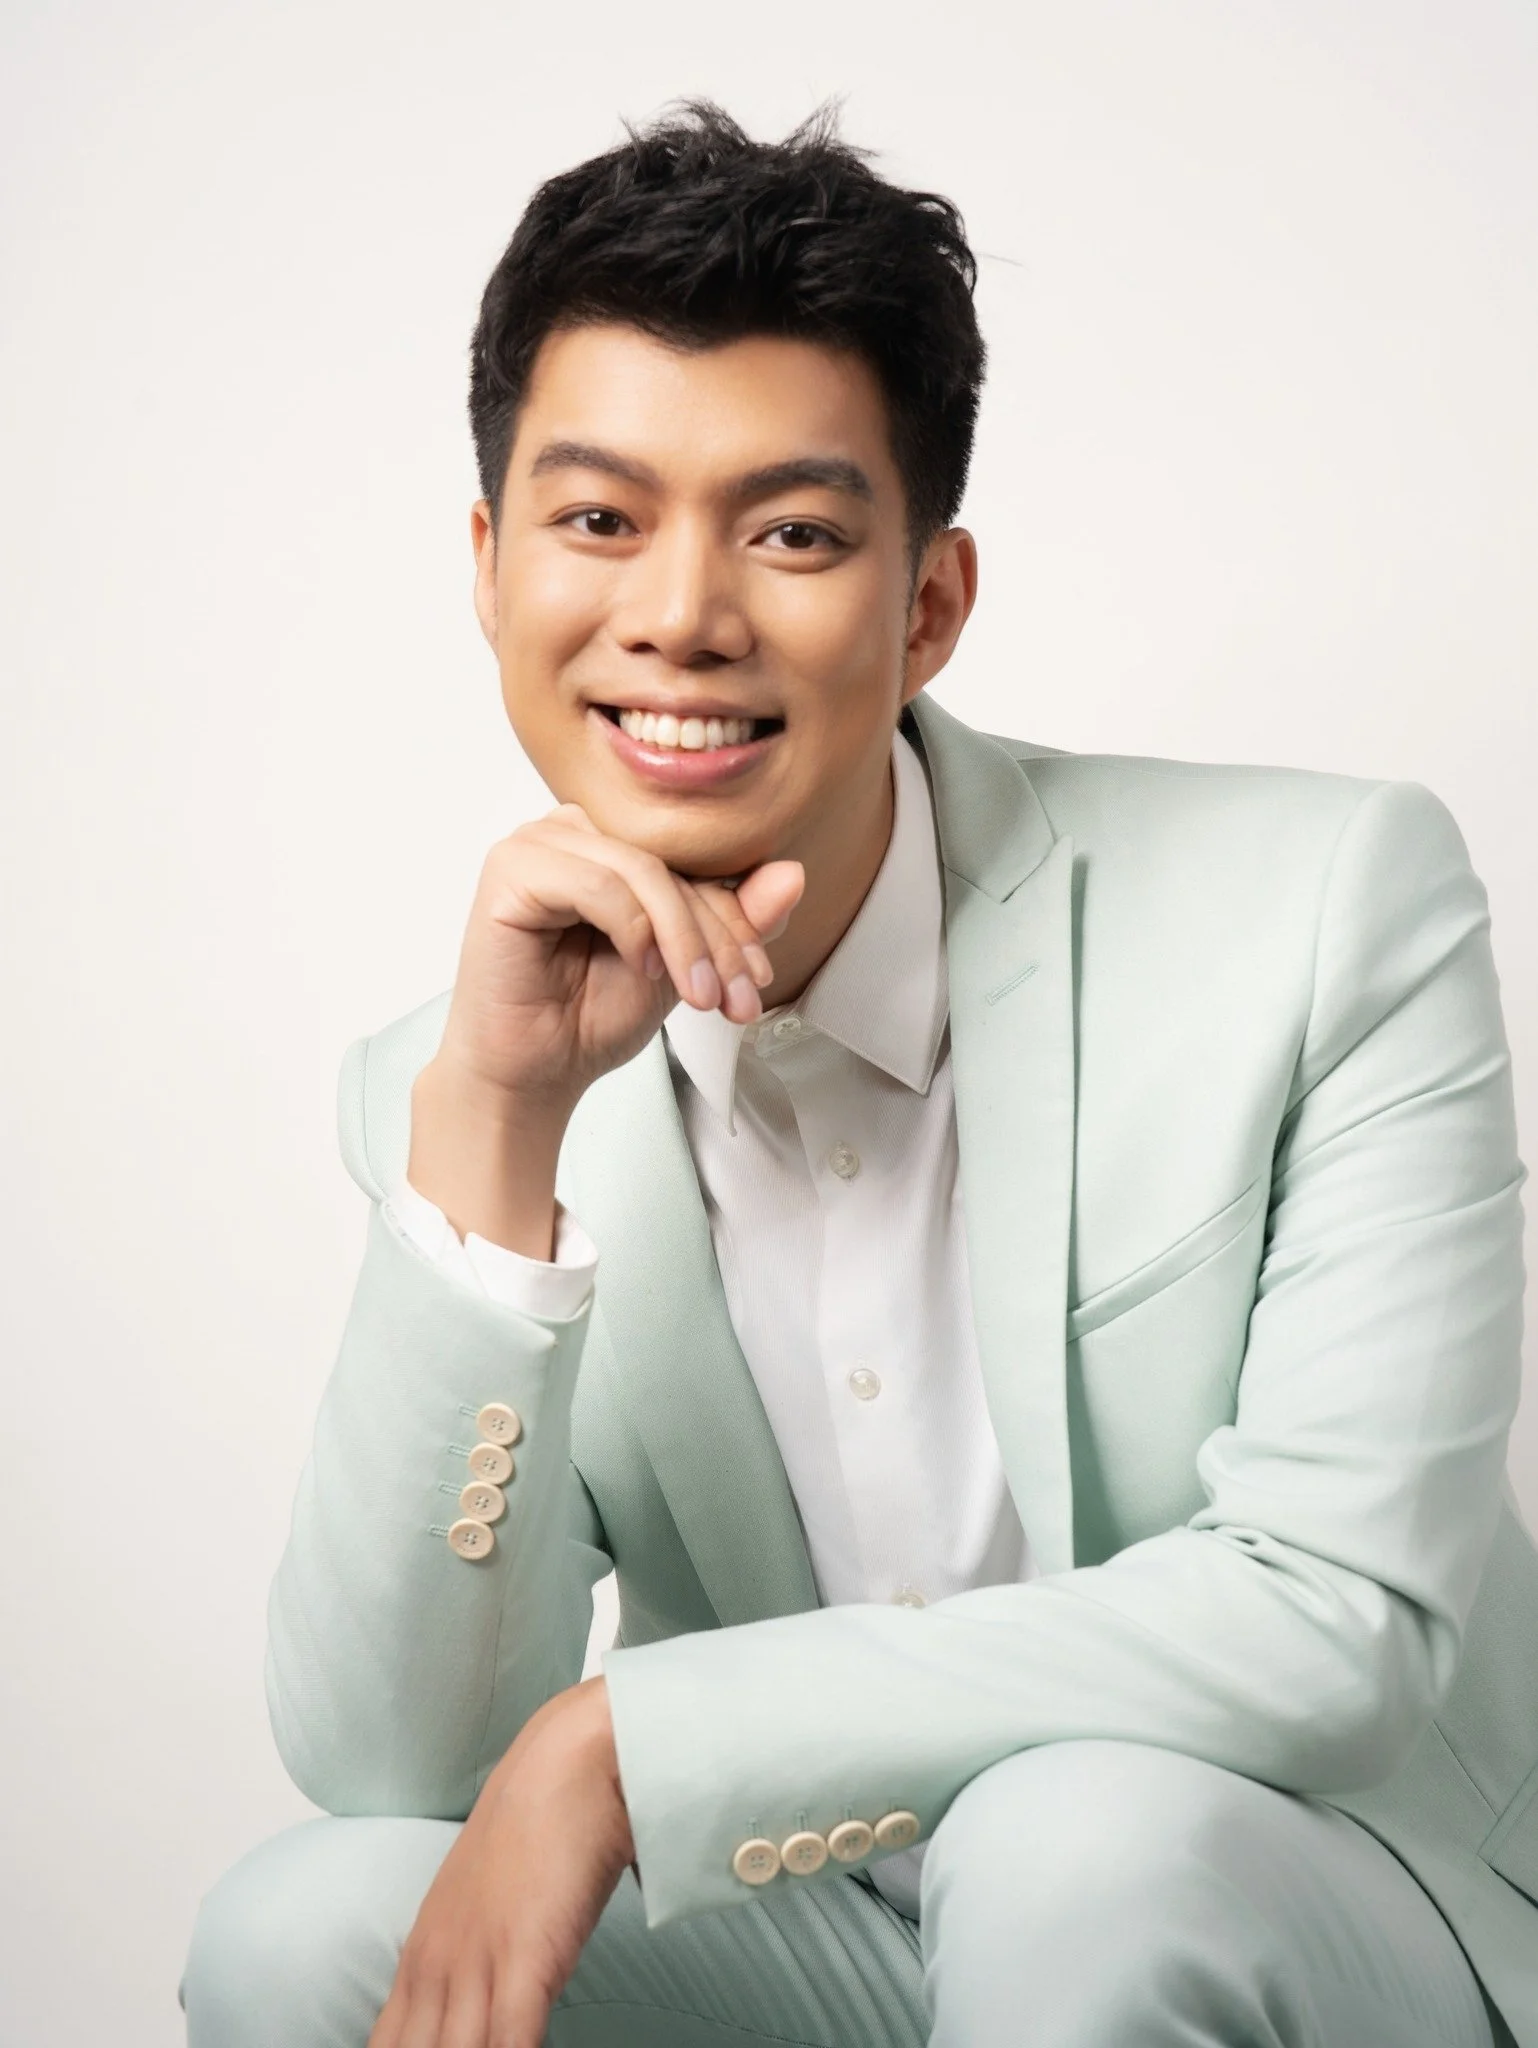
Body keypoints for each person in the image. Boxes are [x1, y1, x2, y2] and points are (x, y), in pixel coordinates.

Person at [181, 101, 1538, 2048]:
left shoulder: (1325, 902)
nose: (680, 612)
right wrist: (494, 1131)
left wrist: (631, 1744)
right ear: (488, 570)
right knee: (298, 1929)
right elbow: (395, 1762)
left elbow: (1334, 1623)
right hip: (815, 1924)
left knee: (1075, 1856)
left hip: (1307, 1897)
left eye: (791, 529)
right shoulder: (452, 1074)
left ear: (927, 603)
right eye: (598, 519)